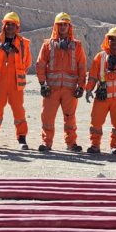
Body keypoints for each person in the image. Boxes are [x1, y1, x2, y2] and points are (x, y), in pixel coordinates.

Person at [36, 12, 87, 152]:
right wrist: (42, 84)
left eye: (65, 24)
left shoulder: (77, 46)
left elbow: (82, 67)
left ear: (69, 27)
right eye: (60, 25)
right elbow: (40, 65)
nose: (63, 27)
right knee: (47, 117)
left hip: (70, 91)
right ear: (56, 26)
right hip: (51, 89)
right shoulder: (47, 45)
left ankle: (71, 144)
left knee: (70, 118)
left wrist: (81, 86)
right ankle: (46, 143)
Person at [83, 26, 116, 155]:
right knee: (96, 121)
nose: (113, 42)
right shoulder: (100, 57)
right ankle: (95, 145)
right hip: (102, 97)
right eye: (111, 39)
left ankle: (115, 146)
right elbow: (92, 76)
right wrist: (89, 89)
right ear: (107, 40)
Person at [0, 12, 32, 150]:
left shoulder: (23, 43)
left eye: (13, 24)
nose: (10, 27)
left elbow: (27, 63)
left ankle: (22, 138)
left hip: (16, 84)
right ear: (4, 25)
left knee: (19, 112)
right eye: (7, 24)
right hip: (0, 83)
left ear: (17, 27)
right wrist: (2, 51)